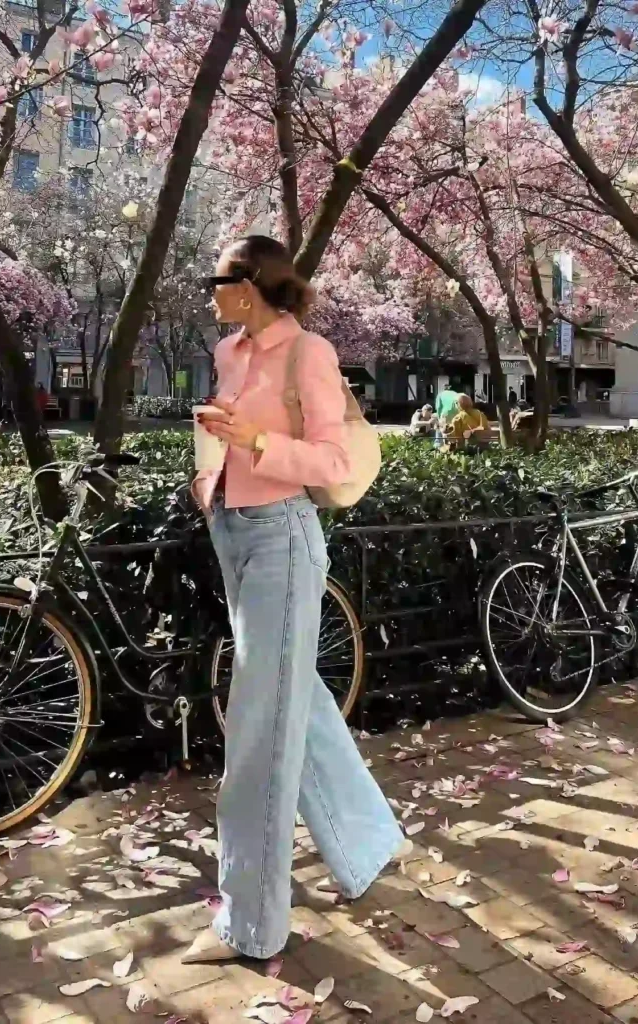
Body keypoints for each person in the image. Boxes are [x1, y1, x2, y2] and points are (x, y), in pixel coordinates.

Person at [187, 235, 407, 965]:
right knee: (292, 700)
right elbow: (229, 436)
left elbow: (334, 460)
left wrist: (256, 443)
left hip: (283, 536)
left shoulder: (308, 352)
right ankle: (368, 843)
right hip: (232, 531)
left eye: (218, 278)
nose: (210, 291)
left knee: (260, 730)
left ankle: (251, 925)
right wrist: (210, 475)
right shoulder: (229, 351)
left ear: (250, 284)